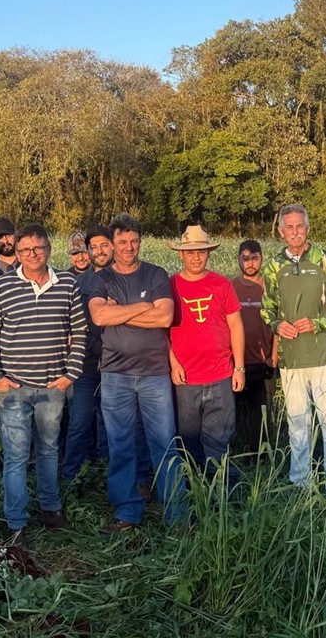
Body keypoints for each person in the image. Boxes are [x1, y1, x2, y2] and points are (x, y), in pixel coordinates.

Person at [0, 224, 86, 543]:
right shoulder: (3, 286)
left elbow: (79, 332)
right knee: (15, 456)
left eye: (38, 248)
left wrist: (71, 374)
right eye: (25, 250)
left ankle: (50, 508)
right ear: (17, 252)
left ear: (49, 249)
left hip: (53, 386)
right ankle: (16, 523)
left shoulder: (67, 283)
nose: (32, 255)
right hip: (13, 388)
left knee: (49, 450)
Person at [89, 213, 186, 531]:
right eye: (122, 242)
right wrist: (144, 307)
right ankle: (127, 512)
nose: (129, 247)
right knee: (121, 444)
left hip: (154, 374)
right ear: (113, 245)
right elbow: (100, 317)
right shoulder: (102, 279)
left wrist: (120, 312)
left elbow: (165, 318)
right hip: (115, 374)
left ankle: (176, 513)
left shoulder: (155, 274)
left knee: (164, 443)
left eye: (134, 241)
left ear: (140, 242)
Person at [261, 204, 326, 508]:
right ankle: (300, 489)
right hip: (291, 362)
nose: (295, 232)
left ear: (308, 228)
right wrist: (278, 325)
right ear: (280, 231)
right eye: (288, 227)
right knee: (298, 425)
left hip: (325, 358)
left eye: (299, 226)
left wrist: (319, 324)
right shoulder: (273, 266)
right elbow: (267, 310)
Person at [168, 225, 245, 483]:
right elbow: (162, 331)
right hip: (186, 378)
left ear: (208, 253)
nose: (196, 257)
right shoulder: (170, 286)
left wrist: (239, 367)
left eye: (201, 251)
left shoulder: (221, 284)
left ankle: (221, 492)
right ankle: (193, 490)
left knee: (219, 436)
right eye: (190, 252)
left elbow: (235, 325)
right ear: (181, 255)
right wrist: (173, 363)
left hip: (220, 374)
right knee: (187, 440)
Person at [61, 225, 113, 482]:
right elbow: (75, 323)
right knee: (80, 421)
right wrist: (96, 347)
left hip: (117, 363)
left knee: (109, 422)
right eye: (91, 248)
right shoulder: (77, 283)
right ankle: (71, 475)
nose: (91, 253)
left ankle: (105, 471)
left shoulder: (122, 279)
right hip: (87, 363)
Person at [231, 240, 278, 453]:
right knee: (234, 414)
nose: (250, 263)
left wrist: (274, 356)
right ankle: (237, 452)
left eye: (255, 258)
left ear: (262, 259)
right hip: (237, 363)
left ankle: (261, 457)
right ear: (239, 260)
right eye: (245, 258)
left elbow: (279, 322)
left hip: (264, 362)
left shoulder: (270, 287)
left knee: (262, 414)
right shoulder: (230, 287)